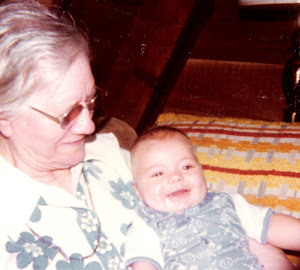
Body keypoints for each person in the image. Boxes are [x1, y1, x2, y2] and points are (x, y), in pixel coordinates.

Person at [0, 1, 296, 270]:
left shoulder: (110, 155)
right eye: (67, 115)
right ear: (5, 120)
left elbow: (218, 216)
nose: (89, 127)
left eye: (90, 102)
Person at [127, 126, 300, 270]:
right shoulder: (146, 224)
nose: (176, 177)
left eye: (186, 167)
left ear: (201, 172)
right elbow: (144, 265)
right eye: (158, 173)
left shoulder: (227, 203)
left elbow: (271, 225)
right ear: (138, 191)